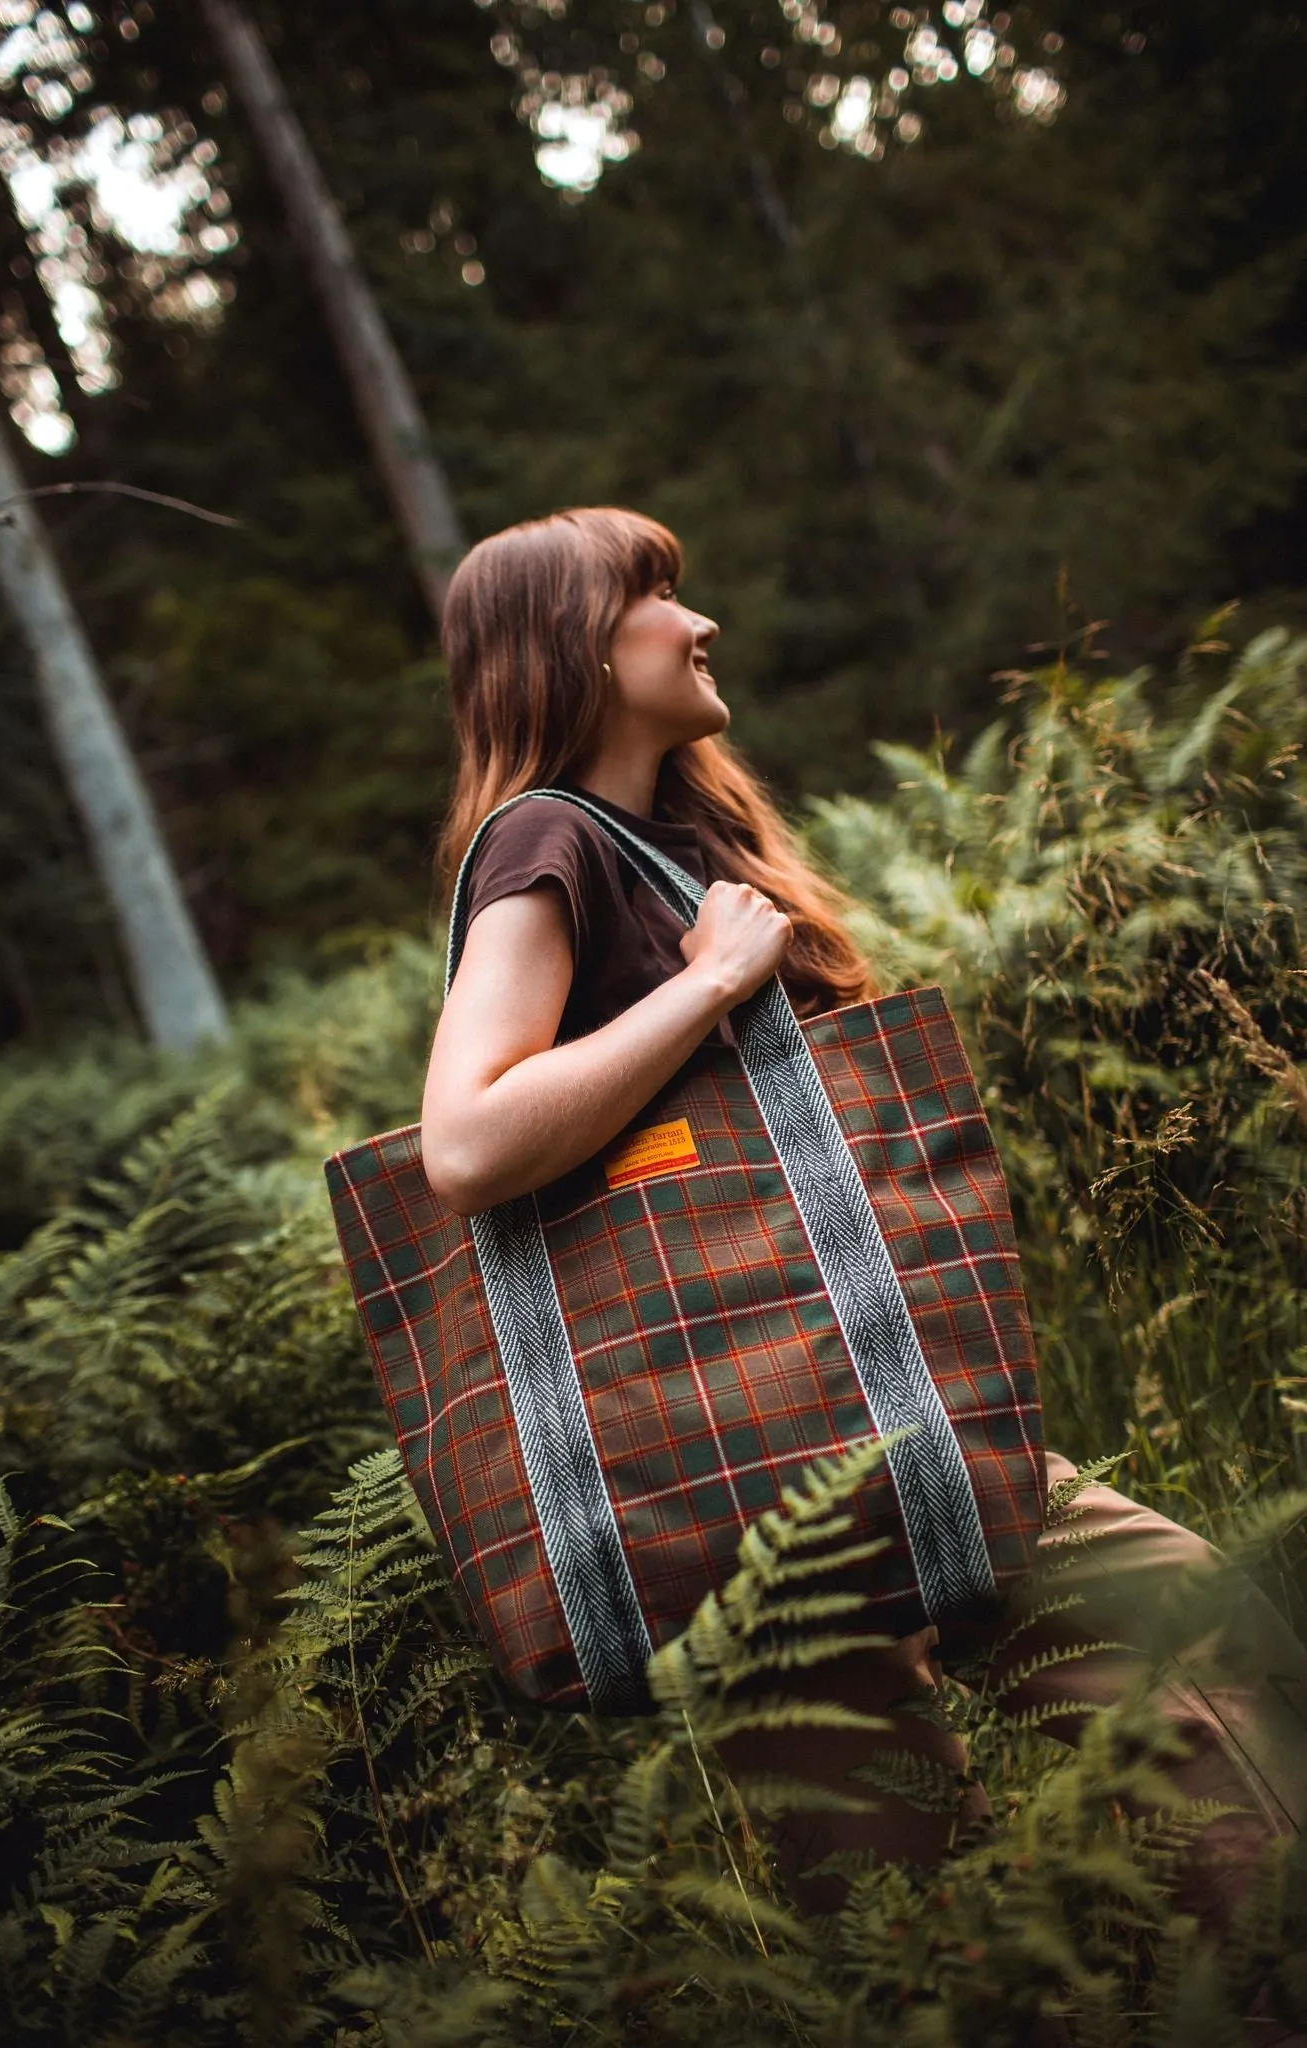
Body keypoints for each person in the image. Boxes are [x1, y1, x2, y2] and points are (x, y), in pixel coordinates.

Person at [420, 505, 1307, 1944]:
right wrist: (706, 988)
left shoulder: (684, 837)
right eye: (657, 597)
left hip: (847, 1411)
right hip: (733, 1457)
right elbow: (464, 1143)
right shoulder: (547, 843)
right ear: (572, 645)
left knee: (1167, 1637)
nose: (698, 623)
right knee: (913, 1904)